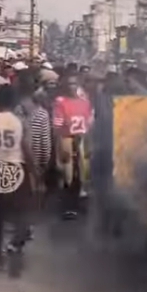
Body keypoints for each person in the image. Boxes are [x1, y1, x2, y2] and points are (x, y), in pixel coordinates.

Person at [0, 83, 33, 271]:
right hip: (17, 169)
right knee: (23, 213)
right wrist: (35, 171)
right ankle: (15, 244)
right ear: (15, 100)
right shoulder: (20, 121)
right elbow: (27, 149)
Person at [53, 74, 93, 218]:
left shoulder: (85, 102)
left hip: (82, 141)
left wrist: (85, 138)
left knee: (83, 173)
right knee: (67, 174)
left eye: (74, 83)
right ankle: (67, 207)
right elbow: (57, 125)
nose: (72, 86)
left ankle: (80, 204)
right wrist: (66, 137)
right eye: (69, 84)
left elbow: (89, 122)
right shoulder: (60, 102)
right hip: (66, 140)